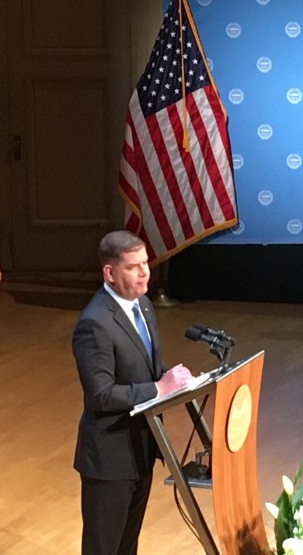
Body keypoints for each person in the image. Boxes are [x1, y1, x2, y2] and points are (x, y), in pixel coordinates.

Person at [72, 230, 194, 555]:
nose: (144, 273)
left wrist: (171, 377)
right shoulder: (94, 324)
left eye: (145, 264)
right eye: (133, 267)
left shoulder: (142, 304)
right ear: (109, 273)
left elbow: (145, 363)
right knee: (104, 547)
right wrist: (158, 388)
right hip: (110, 458)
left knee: (127, 546)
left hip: (141, 448)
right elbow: (101, 395)